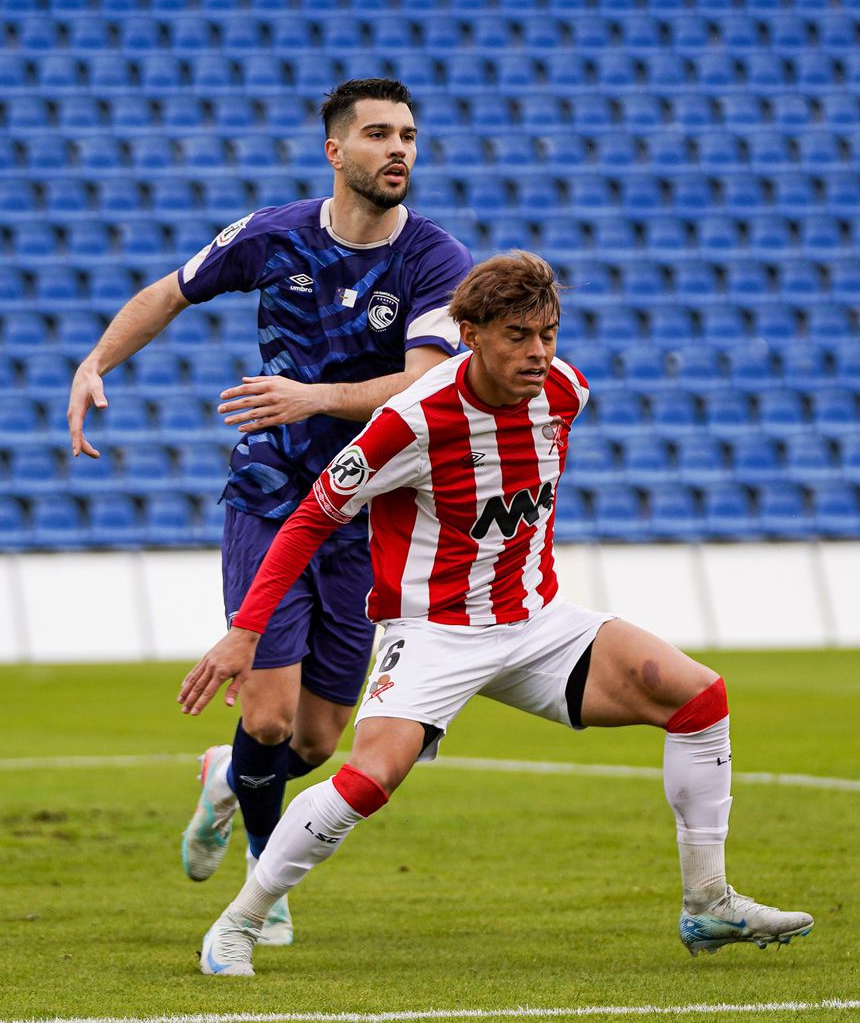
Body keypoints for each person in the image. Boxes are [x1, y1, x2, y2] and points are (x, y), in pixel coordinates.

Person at [178, 251, 813, 976]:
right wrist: (246, 628)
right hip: (433, 631)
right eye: (518, 334)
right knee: (367, 778)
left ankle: (708, 901)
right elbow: (312, 518)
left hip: (538, 622)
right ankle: (239, 922)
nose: (539, 352)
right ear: (471, 333)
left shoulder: (565, 391)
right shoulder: (411, 420)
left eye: (548, 332)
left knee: (697, 694)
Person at [67, 77, 473, 945]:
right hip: (269, 493)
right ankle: (262, 877)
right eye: (377, 134)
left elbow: (427, 380)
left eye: (407, 134)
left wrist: (312, 397)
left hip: (368, 509)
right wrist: (95, 360)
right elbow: (171, 290)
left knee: (321, 739)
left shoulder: (435, 260)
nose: (398, 148)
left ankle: (226, 777)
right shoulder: (275, 234)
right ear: (337, 152)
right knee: (269, 714)